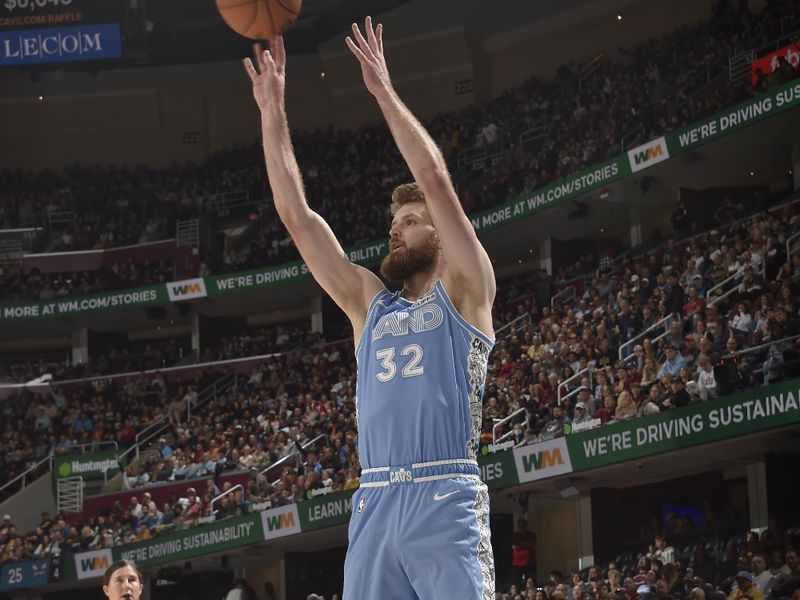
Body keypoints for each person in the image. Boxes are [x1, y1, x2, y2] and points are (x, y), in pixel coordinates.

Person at [243, 17, 496, 598]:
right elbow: (298, 220)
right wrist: (271, 110)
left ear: (438, 234)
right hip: (376, 499)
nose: (395, 230)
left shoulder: (467, 290)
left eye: (409, 222)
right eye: (393, 223)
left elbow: (433, 178)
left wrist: (383, 90)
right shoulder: (368, 307)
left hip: (444, 495)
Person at [511, 518, 537, 585]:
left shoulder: (531, 534)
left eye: (523, 524)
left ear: (526, 525)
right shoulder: (515, 535)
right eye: (520, 524)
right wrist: (526, 545)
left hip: (530, 562)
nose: (521, 525)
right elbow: (514, 547)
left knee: (531, 580)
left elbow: (532, 545)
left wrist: (521, 544)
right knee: (516, 581)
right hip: (517, 563)